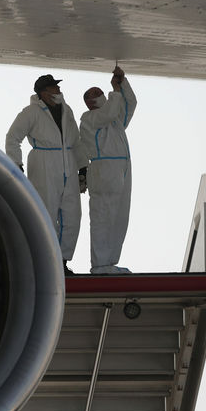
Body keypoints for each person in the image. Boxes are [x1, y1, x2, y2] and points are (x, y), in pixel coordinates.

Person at [6, 74, 88, 275]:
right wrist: (16, 164)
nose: (58, 90)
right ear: (43, 92)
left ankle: (61, 261)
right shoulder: (31, 112)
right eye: (53, 87)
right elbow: (13, 137)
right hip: (43, 163)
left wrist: (83, 168)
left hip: (67, 162)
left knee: (72, 215)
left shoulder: (66, 111)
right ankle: (46, 261)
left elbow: (76, 141)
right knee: (47, 212)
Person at [80, 66, 137, 274]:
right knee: (102, 218)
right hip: (104, 172)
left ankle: (109, 263)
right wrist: (114, 89)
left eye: (99, 91)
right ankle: (100, 264)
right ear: (87, 103)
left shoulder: (115, 121)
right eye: (93, 94)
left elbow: (130, 103)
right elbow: (112, 109)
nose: (98, 95)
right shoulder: (89, 119)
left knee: (119, 218)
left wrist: (122, 84)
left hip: (120, 171)